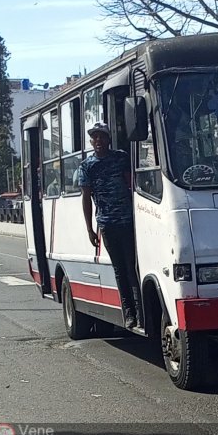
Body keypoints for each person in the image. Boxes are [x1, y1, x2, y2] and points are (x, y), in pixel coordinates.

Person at [79, 122, 142, 328]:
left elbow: (131, 184)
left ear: (108, 139)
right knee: (119, 270)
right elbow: (86, 198)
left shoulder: (120, 158)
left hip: (127, 221)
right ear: (91, 141)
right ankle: (129, 314)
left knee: (132, 266)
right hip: (106, 224)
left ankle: (140, 312)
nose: (98, 140)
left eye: (102, 137)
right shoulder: (87, 166)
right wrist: (89, 229)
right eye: (95, 137)